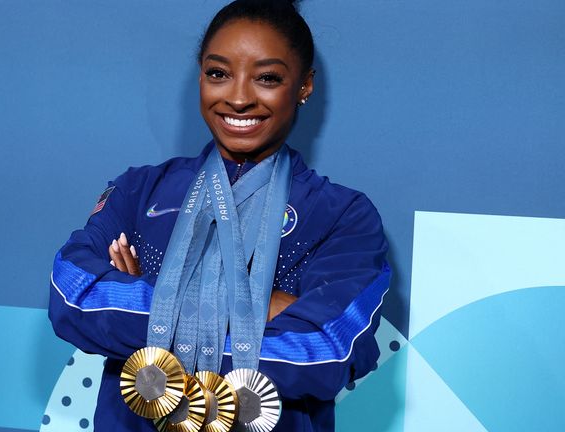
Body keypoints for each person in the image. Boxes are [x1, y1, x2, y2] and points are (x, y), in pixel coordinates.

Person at [48, 1, 390, 430]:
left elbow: (327, 351)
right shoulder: (140, 189)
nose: (239, 97)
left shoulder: (344, 215)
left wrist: (143, 297)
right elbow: (71, 296)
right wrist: (263, 305)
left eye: (267, 78)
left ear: (304, 85)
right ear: (201, 78)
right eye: (218, 73)